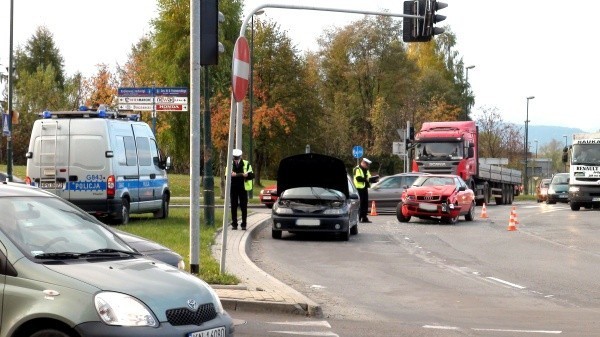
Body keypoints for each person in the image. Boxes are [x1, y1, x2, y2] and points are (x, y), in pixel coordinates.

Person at [229, 149, 254, 230]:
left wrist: (237, 175)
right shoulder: (230, 164)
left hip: (243, 187)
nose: (236, 159)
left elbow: (251, 175)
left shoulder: (246, 163)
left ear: (240, 156)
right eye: (235, 157)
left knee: (244, 206)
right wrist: (242, 175)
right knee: (233, 206)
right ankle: (234, 224)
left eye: (237, 157)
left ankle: (244, 224)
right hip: (233, 188)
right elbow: (227, 176)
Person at [353, 158, 379, 223]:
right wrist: (366, 179)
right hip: (359, 188)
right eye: (367, 165)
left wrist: (375, 180)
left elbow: (369, 178)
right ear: (363, 163)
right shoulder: (357, 169)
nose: (367, 166)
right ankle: (359, 218)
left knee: (365, 203)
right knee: (360, 203)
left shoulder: (366, 170)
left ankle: (364, 217)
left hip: (364, 188)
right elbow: (358, 178)